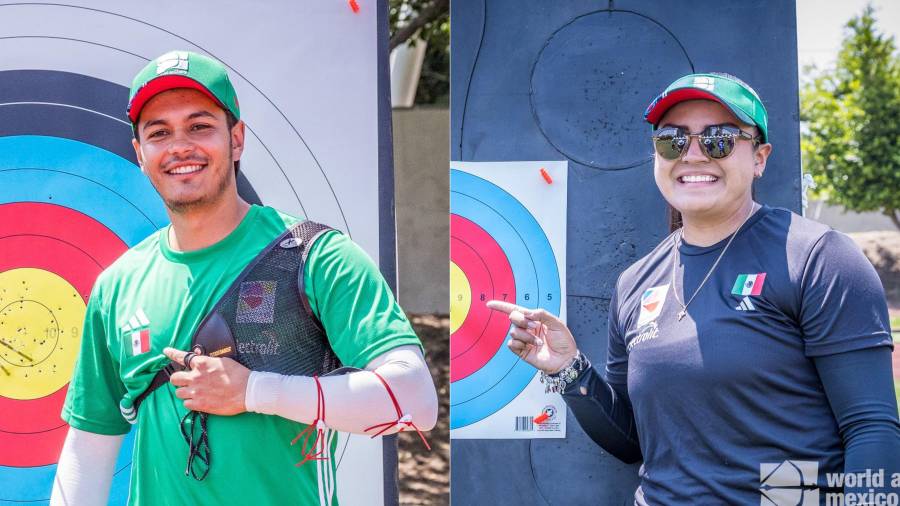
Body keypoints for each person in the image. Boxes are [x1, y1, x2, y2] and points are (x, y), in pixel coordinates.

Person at [489, 73, 900, 504]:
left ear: (759, 158)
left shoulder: (818, 257)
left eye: (719, 139)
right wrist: (568, 369)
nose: (693, 153)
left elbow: (871, 429)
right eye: (673, 140)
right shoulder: (635, 283)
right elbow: (632, 442)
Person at [51, 50, 437, 506]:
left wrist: (255, 391)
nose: (180, 147)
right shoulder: (118, 285)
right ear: (140, 153)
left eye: (199, 126)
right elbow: (88, 449)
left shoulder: (314, 257)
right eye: (159, 133)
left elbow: (414, 399)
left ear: (236, 140)